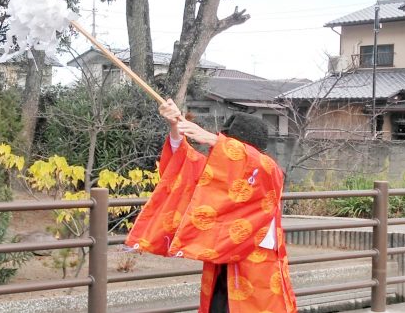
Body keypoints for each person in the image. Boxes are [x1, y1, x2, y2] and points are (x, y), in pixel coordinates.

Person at [125, 99, 297, 313]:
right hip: (223, 252)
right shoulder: (221, 170)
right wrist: (176, 127)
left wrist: (212, 139)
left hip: (257, 260)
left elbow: (254, 162)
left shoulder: (268, 170)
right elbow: (187, 164)